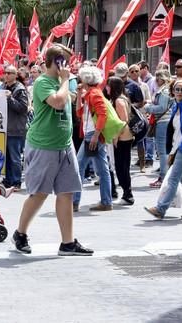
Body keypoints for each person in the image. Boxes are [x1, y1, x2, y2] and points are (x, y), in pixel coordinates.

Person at [13, 45, 93, 256]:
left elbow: (70, 100)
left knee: (66, 192)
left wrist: (70, 85)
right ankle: (20, 233)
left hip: (64, 145)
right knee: (39, 193)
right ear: (57, 62)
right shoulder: (43, 82)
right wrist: (66, 80)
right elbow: (57, 102)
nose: (68, 66)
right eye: (65, 61)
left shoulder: (62, 82)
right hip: (43, 146)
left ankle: (68, 242)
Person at [145, 79, 182, 220]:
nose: (179, 92)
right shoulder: (176, 106)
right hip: (178, 147)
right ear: (172, 91)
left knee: (172, 179)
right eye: (177, 89)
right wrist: (173, 149)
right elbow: (175, 131)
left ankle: (161, 208)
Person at [72, 66, 113, 212]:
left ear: (86, 79)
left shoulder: (94, 94)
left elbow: (103, 114)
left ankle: (74, 202)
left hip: (93, 134)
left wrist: (95, 135)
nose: (79, 80)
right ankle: (106, 201)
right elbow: (79, 112)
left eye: (81, 78)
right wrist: (78, 94)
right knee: (102, 169)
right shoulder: (92, 93)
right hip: (92, 134)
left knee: (79, 166)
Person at [107, 77, 135, 205]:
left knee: (121, 167)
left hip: (123, 137)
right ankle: (127, 193)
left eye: (108, 86)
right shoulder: (122, 98)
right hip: (124, 137)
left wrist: (116, 137)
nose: (106, 88)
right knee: (122, 166)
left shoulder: (119, 101)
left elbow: (123, 121)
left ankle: (127, 195)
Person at [144, 70, 173, 188]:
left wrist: (148, 107)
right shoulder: (165, 89)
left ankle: (163, 176)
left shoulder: (165, 91)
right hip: (163, 121)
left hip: (163, 121)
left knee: (162, 151)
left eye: (158, 77)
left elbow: (162, 107)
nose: (156, 79)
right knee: (164, 150)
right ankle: (165, 175)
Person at [3, 65, 30, 189]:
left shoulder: (20, 89)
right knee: (6, 157)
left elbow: (23, 108)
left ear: (15, 75)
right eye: (5, 72)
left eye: (9, 73)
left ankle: (16, 181)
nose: (6, 75)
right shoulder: (3, 87)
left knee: (15, 157)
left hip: (16, 128)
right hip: (5, 128)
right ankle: (8, 180)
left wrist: (10, 98)